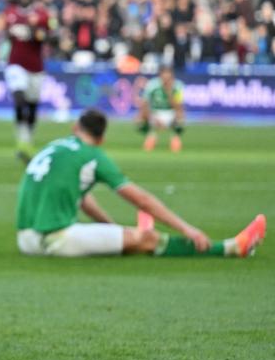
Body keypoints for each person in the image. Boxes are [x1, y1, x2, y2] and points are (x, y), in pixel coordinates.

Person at [16, 109, 265, 258]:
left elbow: (81, 197)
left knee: (129, 238)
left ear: (75, 127)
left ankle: (124, 238)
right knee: (146, 239)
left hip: (25, 240)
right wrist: (188, 229)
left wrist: (110, 230)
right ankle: (230, 248)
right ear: (101, 139)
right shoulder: (92, 156)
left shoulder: (54, 147)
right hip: (54, 240)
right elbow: (141, 200)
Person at [4, 0, 53, 162]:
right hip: (16, 64)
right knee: (19, 99)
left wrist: (33, 30)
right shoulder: (11, 13)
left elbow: (47, 36)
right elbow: (8, 33)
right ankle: (21, 141)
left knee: (32, 106)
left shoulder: (42, 15)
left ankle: (27, 140)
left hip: (35, 67)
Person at [137, 66, 185, 152]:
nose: (166, 80)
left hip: (170, 112)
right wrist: (153, 118)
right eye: (164, 77)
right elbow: (144, 104)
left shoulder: (178, 86)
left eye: (168, 77)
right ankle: (151, 136)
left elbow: (179, 107)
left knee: (181, 114)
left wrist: (169, 92)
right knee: (140, 117)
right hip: (155, 113)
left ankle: (175, 137)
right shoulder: (152, 85)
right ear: (160, 76)